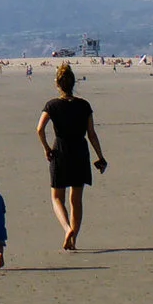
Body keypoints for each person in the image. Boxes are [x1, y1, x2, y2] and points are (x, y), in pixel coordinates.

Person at [34, 63, 107, 252]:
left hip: (60, 151)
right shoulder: (84, 105)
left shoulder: (52, 105)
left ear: (57, 84)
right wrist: (100, 156)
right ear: (73, 83)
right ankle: (74, 238)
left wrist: (46, 148)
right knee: (76, 200)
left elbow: (40, 129)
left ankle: (67, 229)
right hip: (80, 152)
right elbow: (91, 134)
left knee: (57, 197)